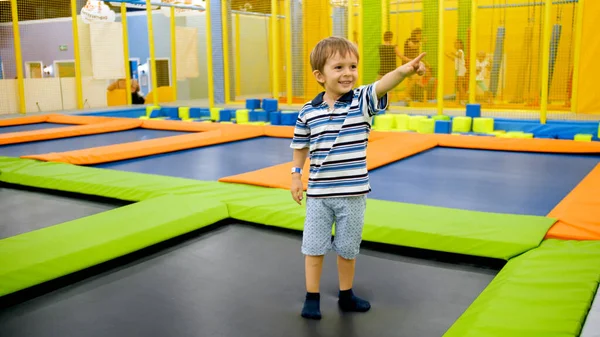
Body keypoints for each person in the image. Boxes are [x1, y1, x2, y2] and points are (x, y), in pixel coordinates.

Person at [289, 36, 425, 320]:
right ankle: (311, 297)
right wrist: (295, 176)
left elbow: (385, 82)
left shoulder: (363, 100)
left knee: (348, 249)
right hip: (319, 195)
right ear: (320, 75)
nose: (348, 73)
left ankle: (346, 293)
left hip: (353, 194)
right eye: (338, 67)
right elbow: (300, 145)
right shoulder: (308, 111)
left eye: (353, 66)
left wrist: (405, 70)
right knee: (313, 248)